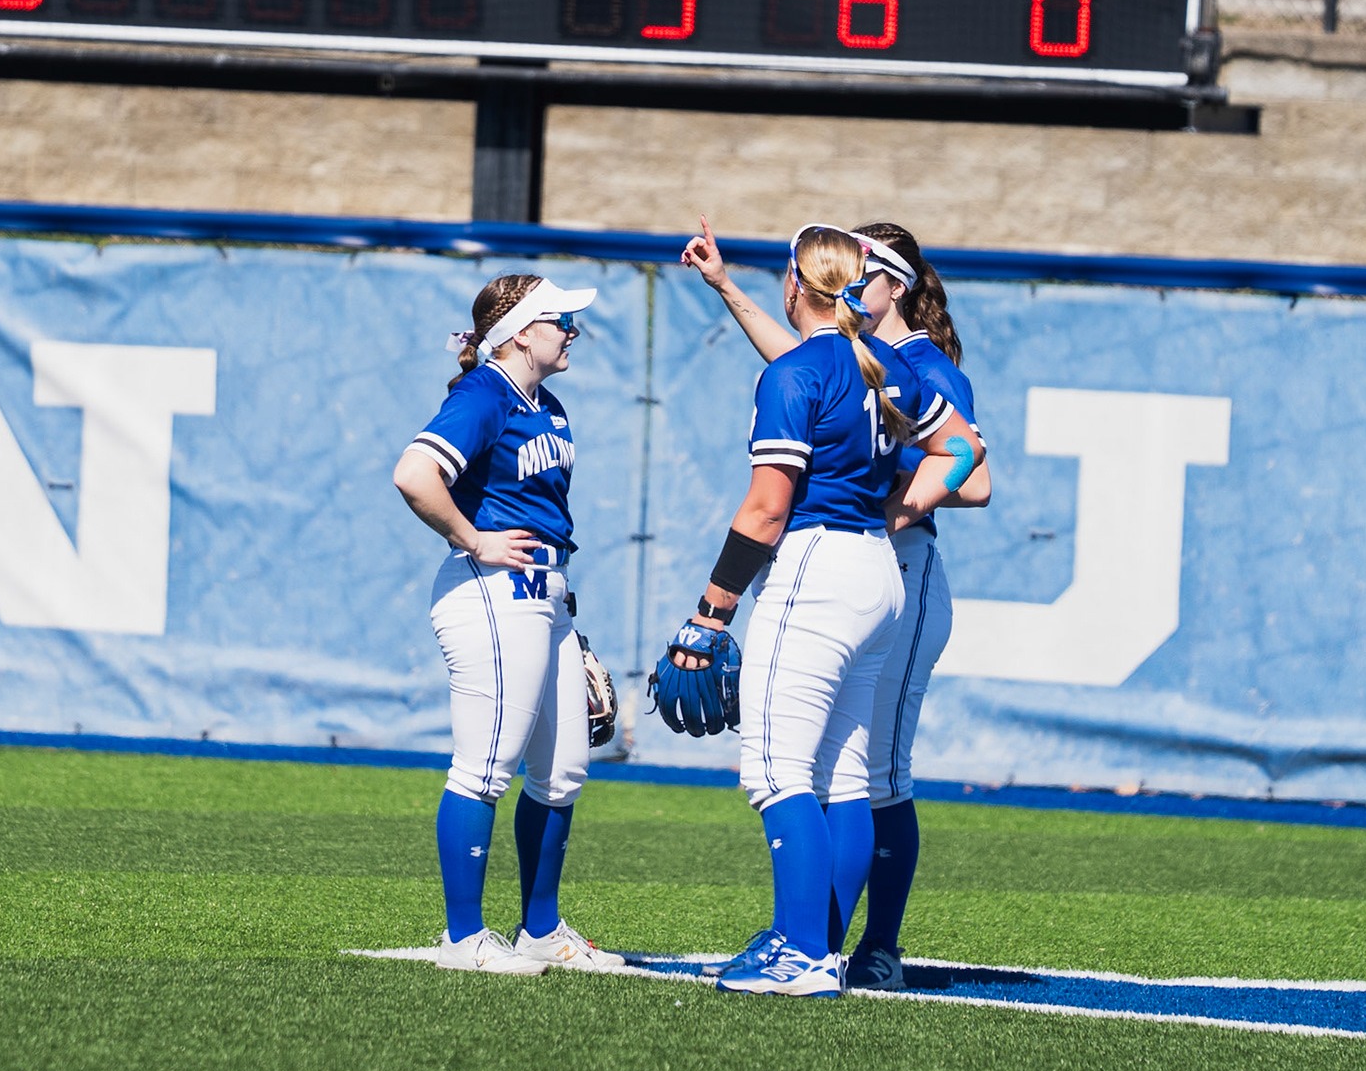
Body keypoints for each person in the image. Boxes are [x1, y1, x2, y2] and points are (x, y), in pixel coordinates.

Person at [660, 225, 983, 996]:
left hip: (819, 567)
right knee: (844, 775)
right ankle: (815, 944)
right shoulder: (882, 365)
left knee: (777, 768)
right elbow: (963, 451)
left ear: (795, 284)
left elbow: (767, 508)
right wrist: (885, 511)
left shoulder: (806, 371)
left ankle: (802, 949)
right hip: (875, 570)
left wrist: (711, 610)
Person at [392, 272, 625, 975]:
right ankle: (464, 937)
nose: (572, 331)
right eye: (560, 320)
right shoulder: (484, 393)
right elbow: (414, 474)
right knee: (485, 763)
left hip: (544, 594)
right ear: (521, 333)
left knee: (563, 769)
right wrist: (473, 538)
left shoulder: (547, 405)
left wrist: (562, 610)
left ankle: (540, 929)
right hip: (492, 590)